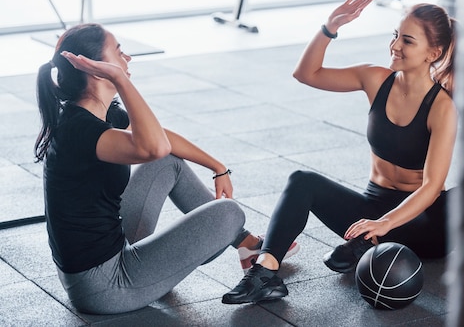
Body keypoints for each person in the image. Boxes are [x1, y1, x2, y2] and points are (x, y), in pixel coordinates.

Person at [33, 23, 298, 314]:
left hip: (110, 252)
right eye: (119, 53)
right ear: (98, 69)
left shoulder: (94, 112)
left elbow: (162, 141)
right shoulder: (79, 129)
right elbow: (153, 146)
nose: (128, 59)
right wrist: (122, 81)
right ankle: (241, 244)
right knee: (229, 213)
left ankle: (248, 245)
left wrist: (217, 166)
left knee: (165, 164)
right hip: (106, 286)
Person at [222, 0, 458, 305]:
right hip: (371, 211)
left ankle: (367, 242)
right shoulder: (376, 79)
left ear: (433, 53)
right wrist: (330, 27)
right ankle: (265, 273)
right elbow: (307, 74)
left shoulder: (441, 108)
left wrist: (386, 223)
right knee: (302, 180)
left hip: (421, 223)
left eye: (408, 41)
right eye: (395, 35)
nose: (395, 46)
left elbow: (431, 187)